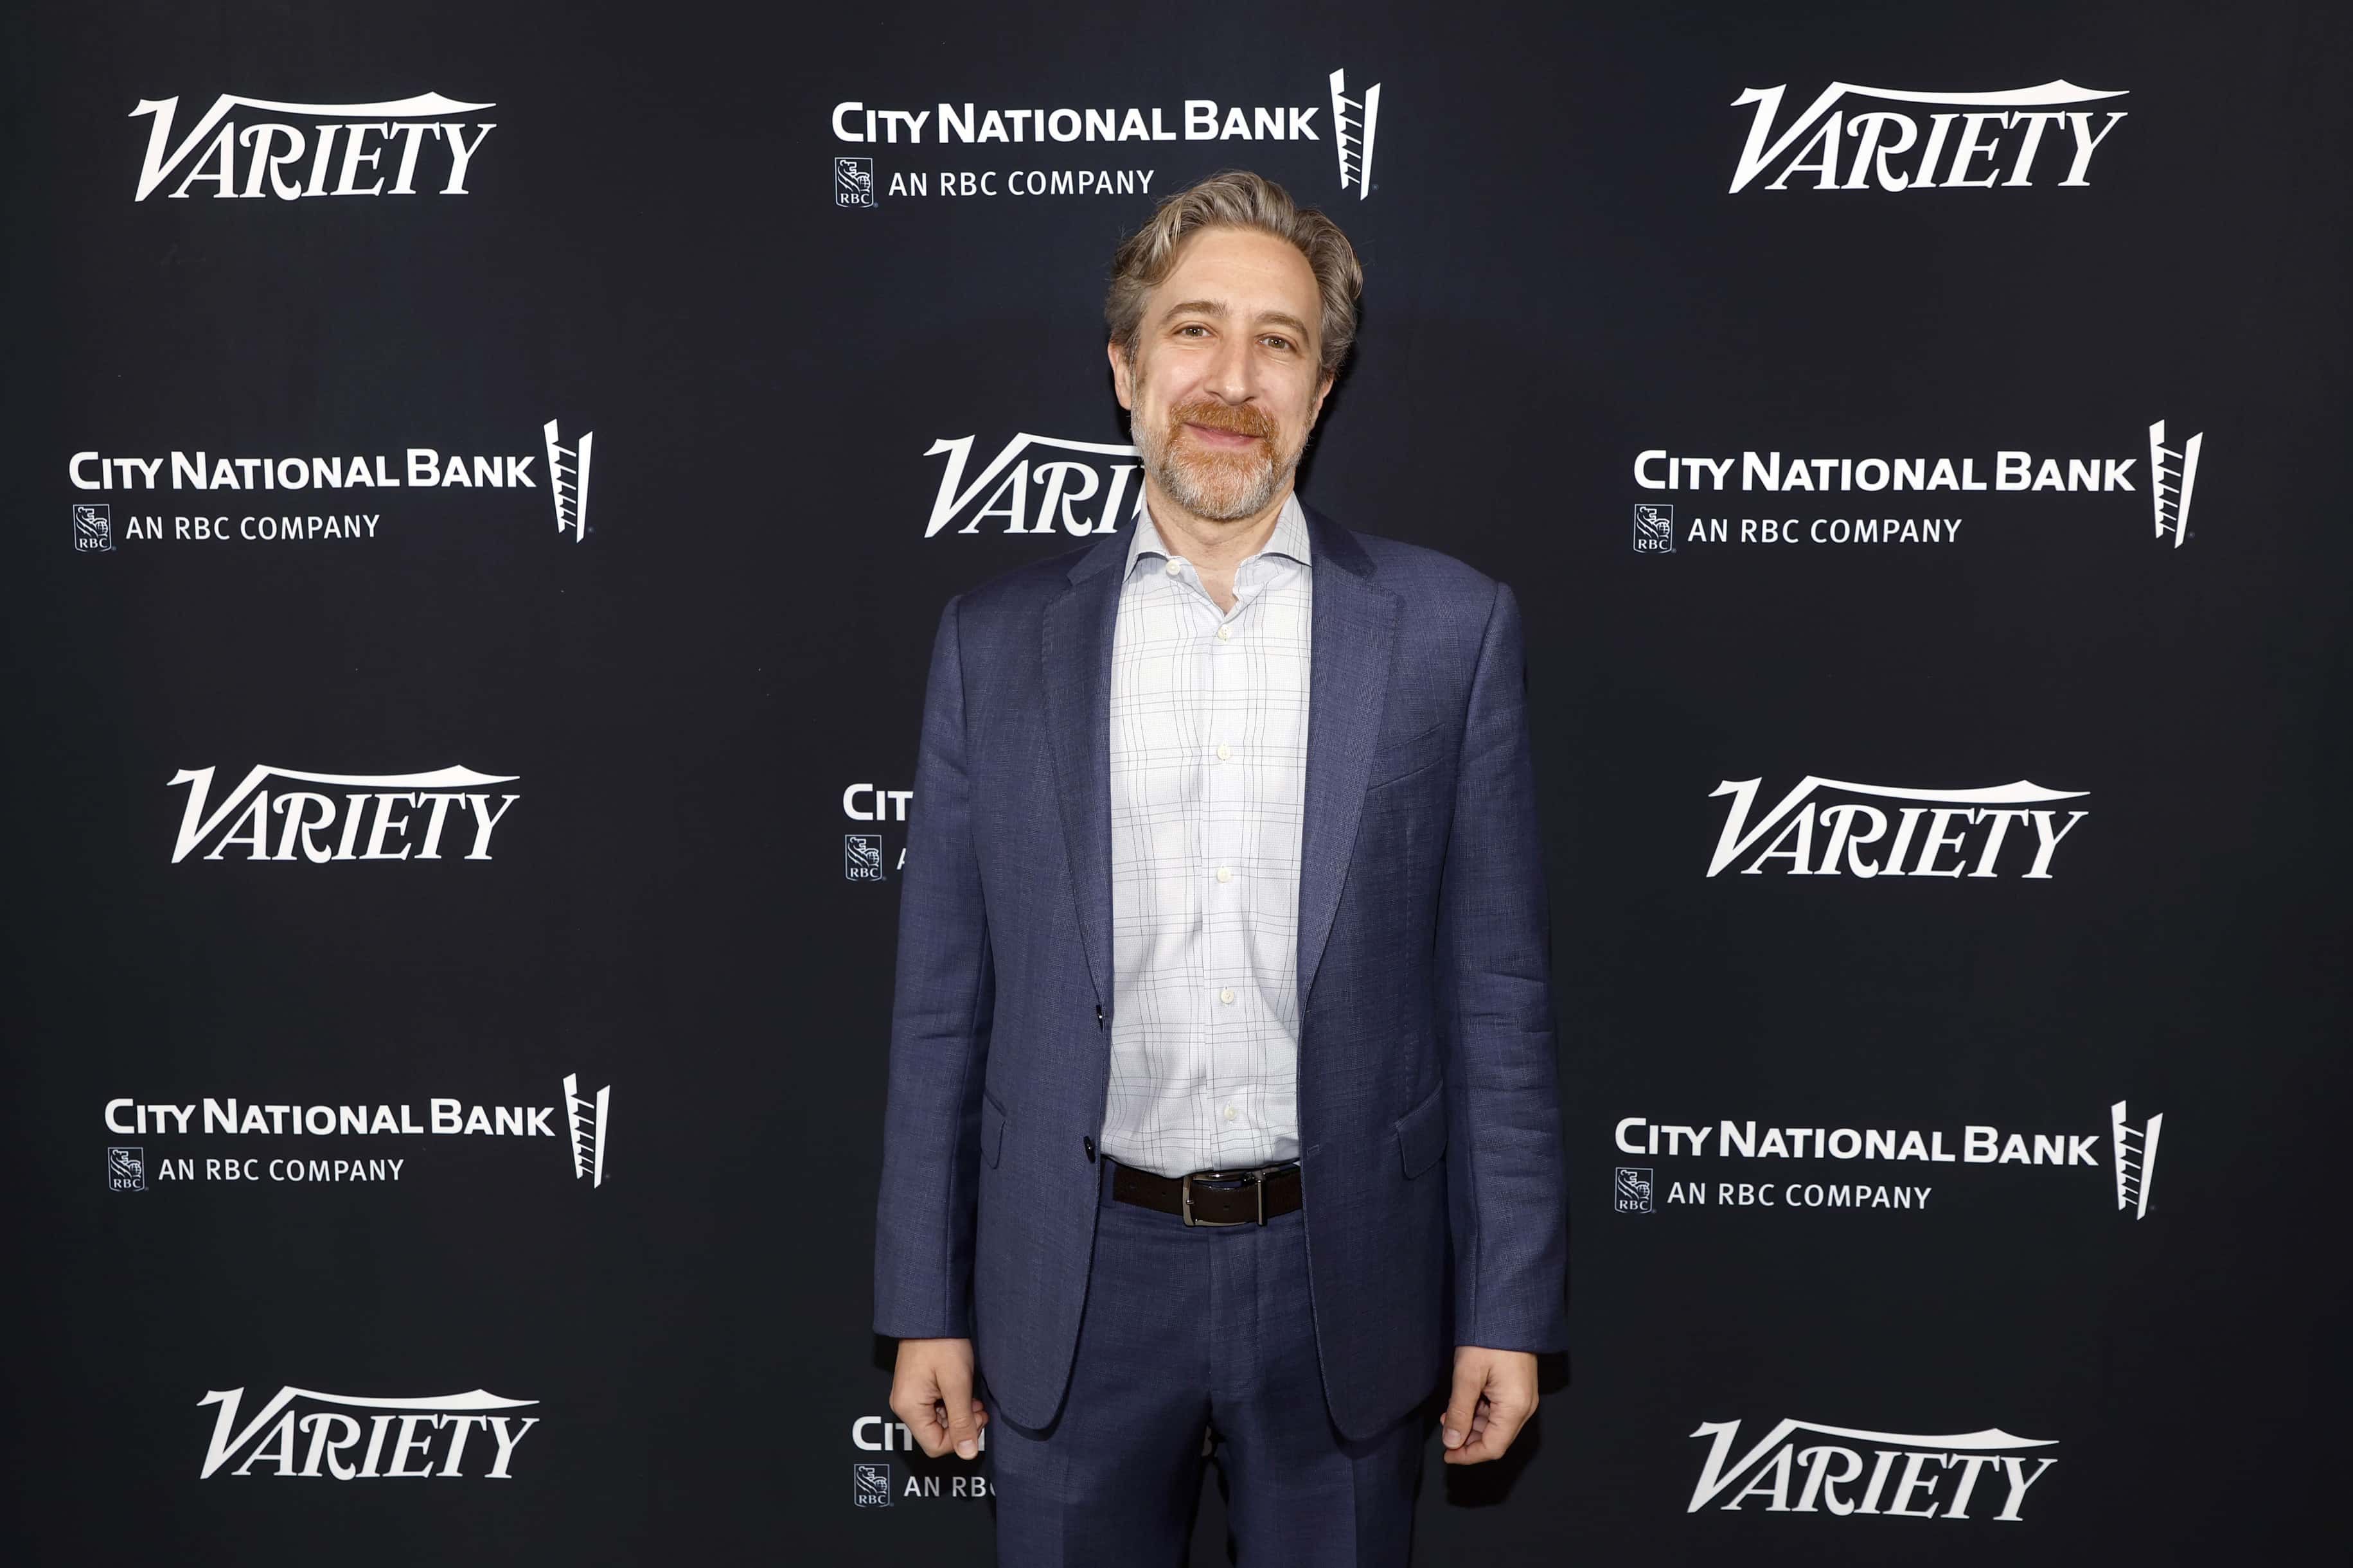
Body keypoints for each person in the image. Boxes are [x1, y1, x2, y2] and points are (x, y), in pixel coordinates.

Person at [873, 169, 1567, 1566]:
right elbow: (944, 1004)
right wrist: (921, 1300)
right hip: (1073, 1280)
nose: (1232, 379)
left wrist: (1508, 1305)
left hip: (1345, 1284)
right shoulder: (993, 645)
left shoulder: (1447, 633)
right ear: (1125, 369)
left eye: (1279, 341)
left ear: (1322, 388)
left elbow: (1494, 1001)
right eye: (1193, 332)